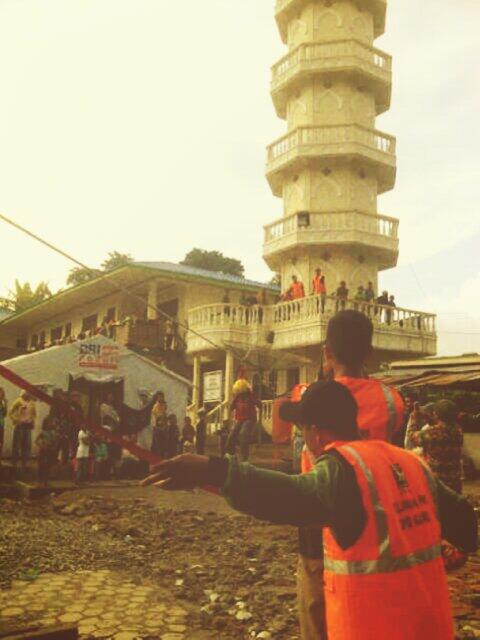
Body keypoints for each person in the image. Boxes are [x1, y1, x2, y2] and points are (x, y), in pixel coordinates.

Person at [142, 380, 477, 640]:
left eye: (303, 429)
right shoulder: (409, 463)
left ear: (316, 433)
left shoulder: (341, 470)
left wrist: (209, 469)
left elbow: (287, 497)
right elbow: (465, 525)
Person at [298, 310, 405, 638]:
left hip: (318, 518)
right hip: (376, 518)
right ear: (369, 352)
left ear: (327, 352)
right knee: (369, 611)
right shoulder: (392, 400)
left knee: (318, 610)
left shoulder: (309, 397)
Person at [408, 400, 464, 494]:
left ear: (436, 415)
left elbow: (412, 435)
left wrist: (414, 418)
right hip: (455, 480)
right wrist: (425, 415)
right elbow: (442, 423)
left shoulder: (430, 433)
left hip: (437, 482)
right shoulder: (458, 430)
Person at [226, 379, 261, 462]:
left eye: (239, 391)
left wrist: (255, 400)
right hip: (240, 419)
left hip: (250, 419)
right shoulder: (237, 397)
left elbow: (259, 404)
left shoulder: (250, 395)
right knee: (231, 435)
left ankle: (244, 458)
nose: (238, 393)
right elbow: (231, 407)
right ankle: (230, 455)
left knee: (243, 435)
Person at [9, 391, 36, 470]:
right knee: (17, 444)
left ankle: (25, 462)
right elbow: (10, 412)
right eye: (27, 393)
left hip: (28, 425)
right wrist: (15, 419)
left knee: (27, 444)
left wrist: (32, 421)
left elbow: (34, 414)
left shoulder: (32, 403)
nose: (28, 395)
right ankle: (14, 462)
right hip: (20, 425)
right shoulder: (18, 401)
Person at [36, 412, 59, 486]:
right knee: (42, 465)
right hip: (43, 450)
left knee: (48, 465)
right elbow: (36, 441)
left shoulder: (54, 433)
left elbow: (56, 442)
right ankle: (40, 480)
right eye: (50, 422)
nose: (51, 423)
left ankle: (45, 480)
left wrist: (53, 447)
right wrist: (41, 445)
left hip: (50, 451)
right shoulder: (43, 432)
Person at [0, 387, 7, 463]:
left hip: (1, 424)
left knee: (1, 442)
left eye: (2, 394)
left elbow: (5, 414)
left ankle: (0, 457)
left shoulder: (3, 403)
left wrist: (5, 404)